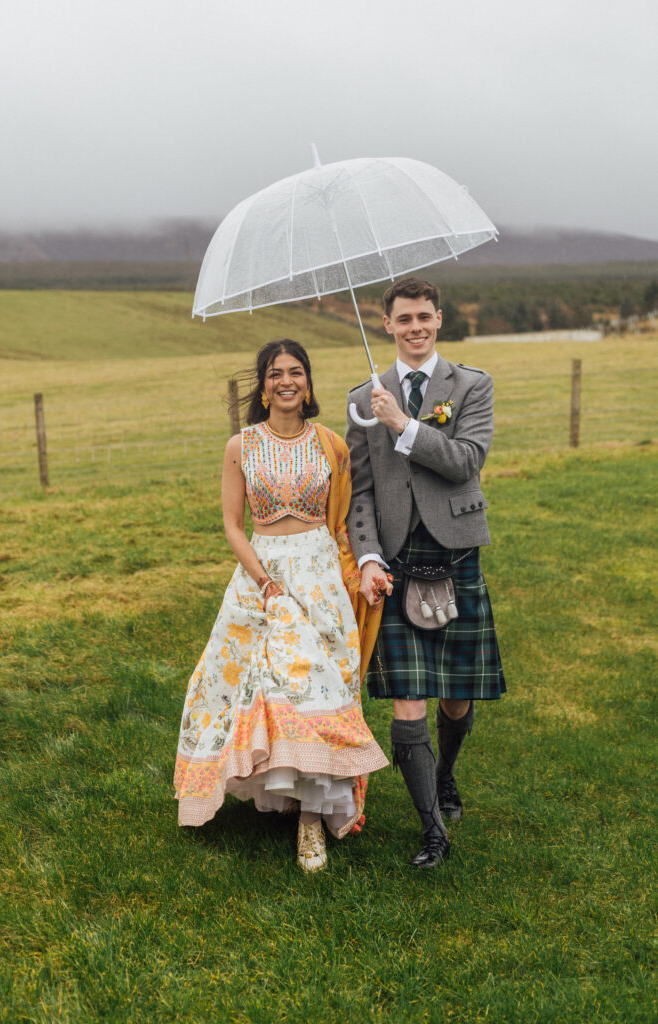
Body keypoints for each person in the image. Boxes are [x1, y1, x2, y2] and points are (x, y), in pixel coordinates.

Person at [174, 339, 388, 873]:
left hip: (319, 575)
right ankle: (284, 793)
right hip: (262, 574)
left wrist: (360, 571)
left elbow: (345, 518)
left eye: (296, 372)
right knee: (266, 684)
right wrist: (264, 580)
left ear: (309, 383)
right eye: (275, 373)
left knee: (320, 685)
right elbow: (231, 525)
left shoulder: (332, 444)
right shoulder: (240, 446)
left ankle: (311, 819)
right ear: (263, 385)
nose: (286, 381)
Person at [346, 278, 506, 869]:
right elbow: (361, 491)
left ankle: (445, 774)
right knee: (407, 701)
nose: (415, 327)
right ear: (386, 325)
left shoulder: (471, 385)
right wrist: (366, 556)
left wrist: (404, 427)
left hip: (456, 553)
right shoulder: (364, 395)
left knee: (458, 699)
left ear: (439, 319)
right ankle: (432, 830)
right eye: (404, 318)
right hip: (397, 564)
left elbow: (467, 460)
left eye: (424, 317)